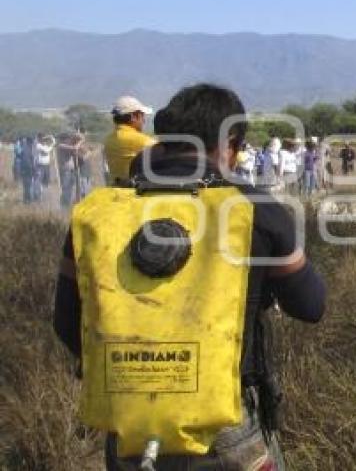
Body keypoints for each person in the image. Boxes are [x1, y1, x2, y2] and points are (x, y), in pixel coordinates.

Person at [53, 83, 326, 470]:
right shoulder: (254, 208)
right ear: (230, 143)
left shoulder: (97, 214)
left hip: (129, 427)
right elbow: (311, 305)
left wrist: (139, 376)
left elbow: (66, 323)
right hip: (227, 426)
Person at [103, 95, 156, 185]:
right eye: (142, 115)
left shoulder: (108, 140)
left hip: (115, 190)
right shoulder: (144, 141)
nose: (143, 120)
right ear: (133, 117)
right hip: (136, 193)